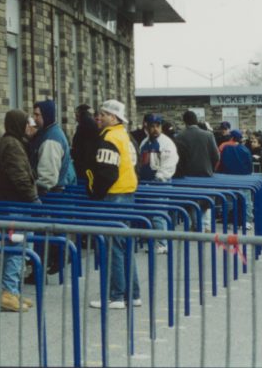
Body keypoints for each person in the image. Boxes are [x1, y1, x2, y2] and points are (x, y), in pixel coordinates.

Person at [86, 100, 141, 309]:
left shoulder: (109, 137)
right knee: (124, 244)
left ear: (114, 118)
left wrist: (95, 193)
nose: (99, 117)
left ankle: (115, 296)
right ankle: (133, 294)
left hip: (113, 194)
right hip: (127, 192)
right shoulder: (124, 135)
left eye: (104, 114)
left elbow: (107, 172)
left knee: (112, 246)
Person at [0, 109, 39, 312]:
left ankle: (14, 291)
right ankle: (9, 292)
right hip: (14, 206)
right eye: (27, 123)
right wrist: (33, 198)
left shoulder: (12, 143)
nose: (30, 127)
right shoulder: (12, 145)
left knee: (17, 247)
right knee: (16, 248)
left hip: (11, 204)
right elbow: (20, 177)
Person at [29, 100, 77, 276]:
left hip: (49, 193)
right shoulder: (49, 133)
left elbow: (48, 177)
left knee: (43, 235)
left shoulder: (51, 139)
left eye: (37, 115)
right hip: (52, 192)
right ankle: (51, 262)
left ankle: (40, 270)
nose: (34, 118)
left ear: (46, 115)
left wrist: (32, 188)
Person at [138, 113, 179, 253]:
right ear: (147, 127)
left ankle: (162, 243)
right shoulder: (144, 142)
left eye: (157, 126)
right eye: (152, 126)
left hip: (160, 183)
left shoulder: (166, 143)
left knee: (158, 213)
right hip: (146, 183)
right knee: (150, 214)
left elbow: (169, 164)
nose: (155, 129)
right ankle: (154, 241)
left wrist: (158, 178)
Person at [71, 104, 99, 181]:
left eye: (76, 114)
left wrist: (73, 153)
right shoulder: (92, 124)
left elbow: (79, 145)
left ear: (79, 113)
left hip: (83, 164)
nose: (75, 117)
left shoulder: (83, 124)